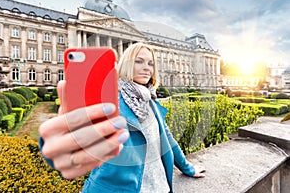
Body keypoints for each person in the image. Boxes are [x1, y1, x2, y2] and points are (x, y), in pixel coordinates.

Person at [39, 42, 205, 192]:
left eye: (151, 63)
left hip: (159, 187)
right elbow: (76, 136)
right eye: (139, 61)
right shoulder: (109, 102)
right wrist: (54, 144)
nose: (147, 67)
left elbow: (167, 139)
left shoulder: (150, 101)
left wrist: (188, 168)